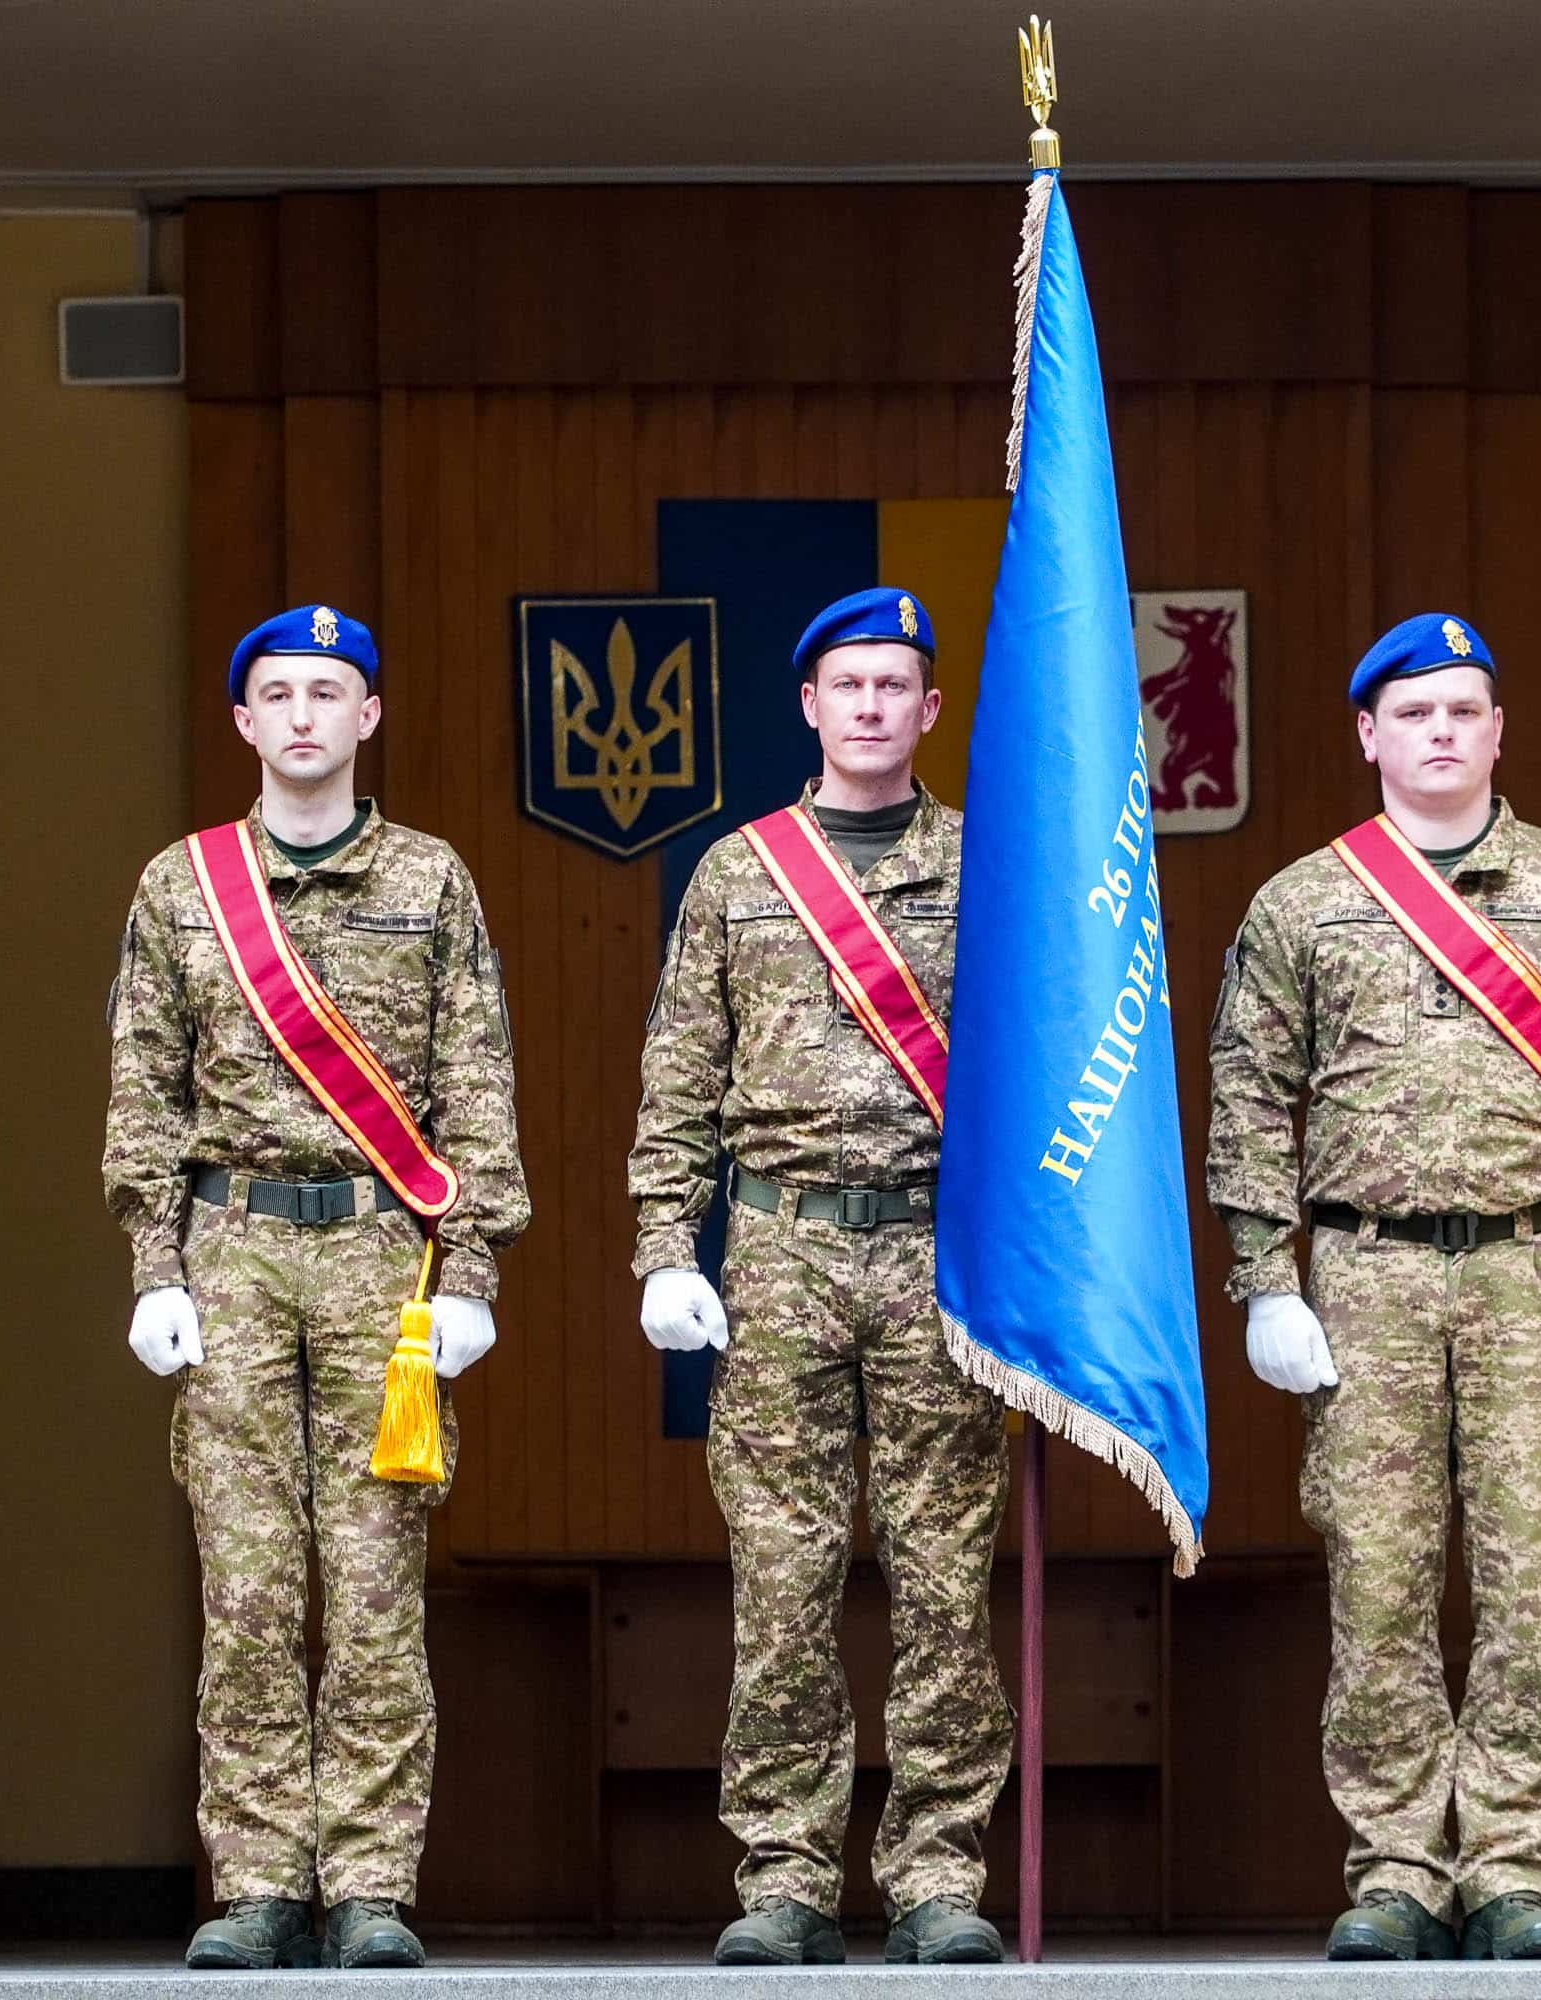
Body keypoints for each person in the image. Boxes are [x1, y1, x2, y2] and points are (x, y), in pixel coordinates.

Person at [1205, 611, 1541, 1963]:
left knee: (1533, 1581)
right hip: (1361, 1275)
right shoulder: (1302, 903)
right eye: (1412, 713)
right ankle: (1397, 1870)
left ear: (1496, 731)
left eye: (1462, 711)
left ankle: (1514, 1871)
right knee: (1377, 1582)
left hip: (1540, 1272)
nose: (1439, 733)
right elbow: (1251, 1090)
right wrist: (1266, 1278)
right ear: (1368, 735)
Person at [102, 604, 529, 1970]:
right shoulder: (183, 889)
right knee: (246, 1579)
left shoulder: (431, 880)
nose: (300, 715)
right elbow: (141, 1094)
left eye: (326, 693)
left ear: (368, 719)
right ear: (242, 722)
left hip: (377, 1261)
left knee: (374, 1577)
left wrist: (473, 1271)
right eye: (276, 694)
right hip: (229, 1251)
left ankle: (370, 1885)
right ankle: (259, 1882)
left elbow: (477, 1084)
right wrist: (151, 1266)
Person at [627, 587, 1013, 1967]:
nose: (866, 706)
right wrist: (665, 1251)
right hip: (780, 1250)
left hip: (934, 1251)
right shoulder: (741, 873)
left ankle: (935, 1875)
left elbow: (1038, 1086)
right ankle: (785, 1876)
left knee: (942, 1579)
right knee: (782, 1580)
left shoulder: (988, 866)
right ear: (808, 705)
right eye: (844, 684)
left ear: (929, 708)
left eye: (892, 685)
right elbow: (680, 1080)